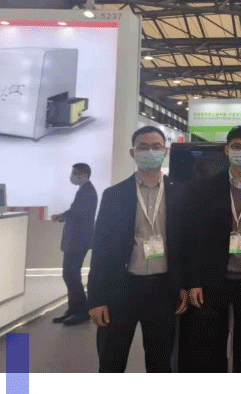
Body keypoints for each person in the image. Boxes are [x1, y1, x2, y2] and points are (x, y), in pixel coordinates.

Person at [87, 126, 188, 373]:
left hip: (163, 291)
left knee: (160, 363)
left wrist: (184, 284)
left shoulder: (181, 194)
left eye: (156, 147)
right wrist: (96, 299)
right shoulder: (114, 195)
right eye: (143, 147)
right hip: (121, 289)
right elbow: (100, 249)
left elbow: (187, 244)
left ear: (165, 151)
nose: (150, 152)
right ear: (133, 153)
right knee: (111, 362)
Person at [184, 126, 241, 372]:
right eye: (236, 146)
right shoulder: (207, 187)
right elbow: (195, 236)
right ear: (226, 150)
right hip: (214, 279)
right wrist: (195, 281)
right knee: (211, 344)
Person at [51, 163, 98, 326]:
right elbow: (76, 211)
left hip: (78, 241)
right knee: (70, 274)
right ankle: (74, 308)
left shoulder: (87, 191)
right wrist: (63, 216)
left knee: (71, 275)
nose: (72, 176)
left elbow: (77, 213)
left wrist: (61, 216)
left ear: (83, 174)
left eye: (75, 173)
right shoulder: (84, 190)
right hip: (77, 240)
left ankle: (81, 311)